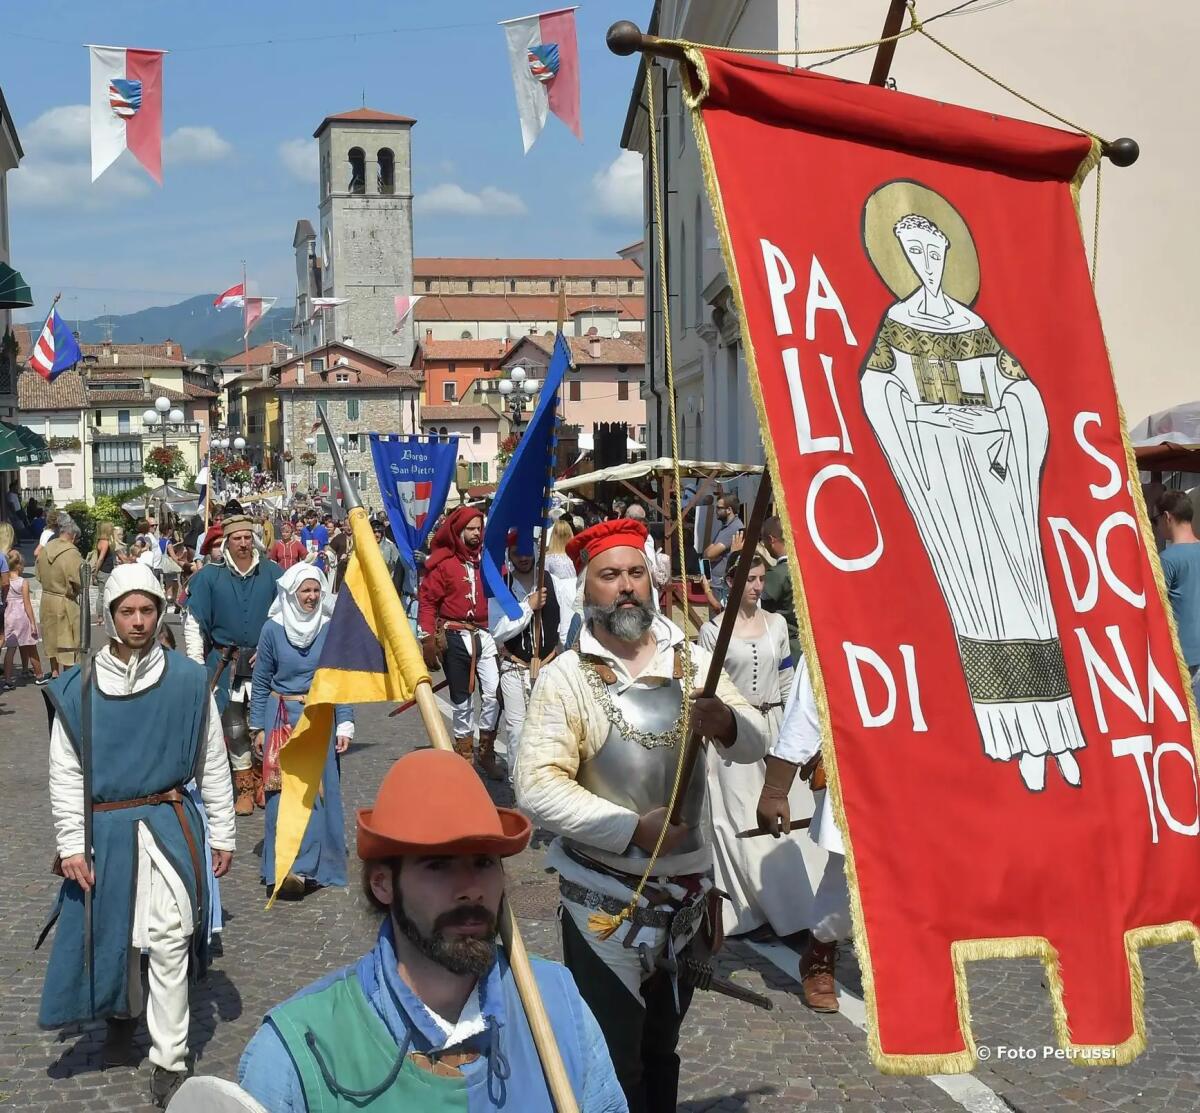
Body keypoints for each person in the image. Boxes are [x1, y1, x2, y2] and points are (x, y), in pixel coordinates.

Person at [516, 519, 768, 1113]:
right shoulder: (567, 678)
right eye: (609, 576)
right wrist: (632, 828)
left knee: (663, 1049)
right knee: (612, 1053)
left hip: (686, 896)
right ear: (587, 590)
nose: (625, 587)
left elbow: (756, 741)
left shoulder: (694, 661)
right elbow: (535, 786)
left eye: (634, 573)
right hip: (606, 901)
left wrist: (728, 723)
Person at [238, 748, 626, 1112]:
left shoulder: (557, 1004)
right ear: (382, 883)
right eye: (439, 865)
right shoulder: (297, 1052)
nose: (471, 888)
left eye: (484, 862)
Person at [859, 204, 1084, 793]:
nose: (926, 263)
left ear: (947, 257)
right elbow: (878, 391)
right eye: (915, 255)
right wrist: (931, 425)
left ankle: (1056, 727)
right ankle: (1012, 734)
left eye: (934, 253)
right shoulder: (897, 322)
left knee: (1029, 596)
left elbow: (1020, 391)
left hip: (996, 476)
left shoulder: (973, 326)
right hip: (946, 482)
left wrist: (1009, 425)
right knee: (977, 599)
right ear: (903, 262)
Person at [39, 564, 236, 1108]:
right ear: (109, 617)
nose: (139, 620)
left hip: (170, 828)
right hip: (106, 828)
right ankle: (123, 1006)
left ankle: (169, 1058)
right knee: (117, 933)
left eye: (147, 609)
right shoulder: (79, 689)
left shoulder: (190, 681)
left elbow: (211, 761)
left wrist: (222, 831)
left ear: (160, 611)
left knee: (169, 937)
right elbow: (67, 772)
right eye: (127, 611)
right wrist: (72, 843)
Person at [697, 554, 821, 939]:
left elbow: (786, 682)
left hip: (774, 726)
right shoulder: (713, 631)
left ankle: (795, 907)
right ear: (732, 581)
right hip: (735, 732)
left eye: (761, 578)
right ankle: (749, 907)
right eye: (749, 578)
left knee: (787, 819)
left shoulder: (778, 624)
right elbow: (710, 690)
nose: (756, 586)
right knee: (737, 819)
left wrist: (790, 737)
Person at [250, 565, 353, 900]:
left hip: (319, 717)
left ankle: (309, 868)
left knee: (316, 794)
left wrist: (346, 721)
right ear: (291, 593)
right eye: (305, 591)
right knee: (281, 794)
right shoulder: (272, 630)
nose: (311, 597)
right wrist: (257, 727)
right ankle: (282, 866)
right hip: (280, 717)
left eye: (316, 591)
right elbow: (262, 681)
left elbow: (339, 680)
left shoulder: (330, 628)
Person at [756, 659, 848, 1014]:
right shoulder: (834, 626)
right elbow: (806, 708)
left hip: (918, 771)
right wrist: (776, 789)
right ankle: (820, 951)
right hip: (851, 770)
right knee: (845, 879)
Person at [183, 515, 284, 816]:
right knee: (234, 726)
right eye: (236, 537)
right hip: (223, 663)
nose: (243, 542)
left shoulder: (273, 573)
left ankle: (261, 781)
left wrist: (271, 649)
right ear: (226, 541)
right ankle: (242, 786)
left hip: (264, 663)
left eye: (247, 537)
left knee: (264, 723)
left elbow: (285, 616)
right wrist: (196, 666)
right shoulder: (209, 577)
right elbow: (193, 623)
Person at [418, 507, 502, 779]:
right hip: (455, 635)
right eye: (471, 529)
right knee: (461, 700)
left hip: (486, 635)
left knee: (493, 693)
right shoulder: (444, 564)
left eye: (479, 528)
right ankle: (465, 753)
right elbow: (428, 601)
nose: (477, 533)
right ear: (459, 531)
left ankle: (486, 751)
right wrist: (427, 638)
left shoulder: (489, 561)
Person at [488, 530, 569, 780]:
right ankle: (519, 784)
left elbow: (565, 622)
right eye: (516, 553)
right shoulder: (502, 586)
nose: (523, 557)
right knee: (516, 730)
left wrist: (560, 654)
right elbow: (498, 630)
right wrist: (528, 607)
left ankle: (548, 782)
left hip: (548, 666)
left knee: (550, 728)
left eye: (526, 551)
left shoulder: (552, 581)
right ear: (509, 555)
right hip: (514, 668)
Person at [1156, 489, 1200, 695]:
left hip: (1184, 658)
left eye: (1155, 520)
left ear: (1167, 517)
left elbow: (1156, 607)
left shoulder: (1167, 560)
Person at [36, 515, 83, 683]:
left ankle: (54, 672)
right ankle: (68, 677)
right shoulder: (72, 554)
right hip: (65, 601)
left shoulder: (46, 549)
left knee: (51, 639)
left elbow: (38, 575)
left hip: (47, 598)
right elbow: (79, 580)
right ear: (74, 536)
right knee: (67, 641)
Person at [760, 515, 802, 668]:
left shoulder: (777, 575)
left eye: (763, 540)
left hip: (788, 650)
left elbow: (753, 608)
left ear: (771, 539)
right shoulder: (804, 568)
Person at [4, 549, 43, 689]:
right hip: (21, 616)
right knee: (30, 644)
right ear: (19, 565)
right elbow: (27, 604)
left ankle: (8, 680)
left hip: (8, 616)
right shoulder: (23, 582)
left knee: (11, 648)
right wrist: (33, 622)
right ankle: (39, 675)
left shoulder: (4, 581)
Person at [702, 496, 744, 603]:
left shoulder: (734, 528)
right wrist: (710, 555)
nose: (716, 510)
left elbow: (710, 554)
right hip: (716, 583)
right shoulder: (725, 527)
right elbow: (705, 554)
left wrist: (711, 555)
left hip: (722, 586)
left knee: (718, 617)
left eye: (719, 508)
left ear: (729, 510)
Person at [624, 503, 670, 588]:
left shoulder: (644, 536)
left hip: (639, 581)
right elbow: (652, 564)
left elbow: (650, 563)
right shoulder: (644, 536)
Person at [90, 522, 118, 627]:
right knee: (104, 594)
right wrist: (96, 571)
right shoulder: (105, 542)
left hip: (103, 570)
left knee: (101, 594)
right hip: (105, 571)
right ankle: (102, 616)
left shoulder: (100, 541)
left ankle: (101, 616)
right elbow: (101, 558)